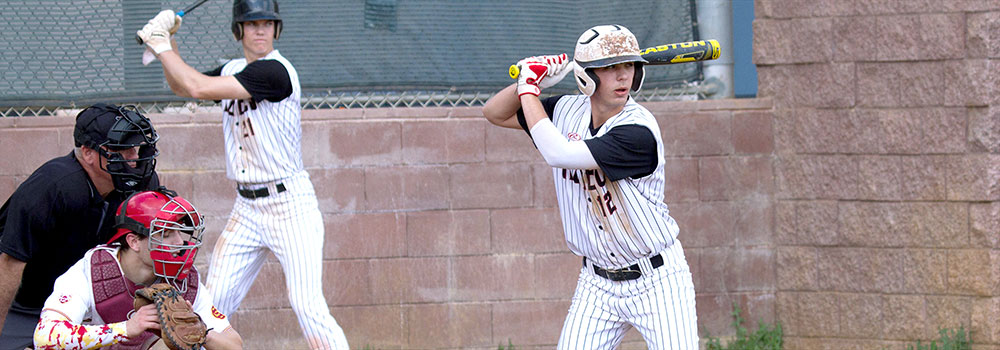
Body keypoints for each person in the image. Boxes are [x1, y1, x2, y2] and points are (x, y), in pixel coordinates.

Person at [135, 1, 349, 348]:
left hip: (289, 205)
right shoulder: (234, 67)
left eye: (267, 23)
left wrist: (160, 43)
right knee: (209, 305)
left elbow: (198, 88)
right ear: (239, 30)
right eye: (252, 24)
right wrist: (169, 45)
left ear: (276, 29)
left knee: (308, 306)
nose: (260, 30)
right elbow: (182, 85)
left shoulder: (276, 72)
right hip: (247, 208)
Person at [481, 24, 698, 349]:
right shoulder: (566, 110)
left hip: (657, 280)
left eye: (629, 66)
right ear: (587, 76)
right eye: (610, 68)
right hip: (597, 284)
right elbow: (494, 113)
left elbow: (559, 153)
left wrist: (530, 89)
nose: (623, 77)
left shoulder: (637, 132)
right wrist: (526, 81)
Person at [0, 103, 161, 350]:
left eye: (137, 149)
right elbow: (10, 263)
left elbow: (157, 244)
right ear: (88, 153)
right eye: (123, 150)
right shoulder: (54, 186)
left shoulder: (141, 183)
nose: (135, 159)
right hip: (23, 303)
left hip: (87, 300)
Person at [32, 189, 242, 349]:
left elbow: (235, 345)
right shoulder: (92, 271)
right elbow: (45, 337)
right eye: (167, 234)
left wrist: (202, 332)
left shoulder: (182, 280)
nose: (179, 242)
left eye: (179, 232)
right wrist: (126, 329)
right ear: (133, 241)